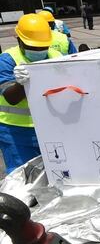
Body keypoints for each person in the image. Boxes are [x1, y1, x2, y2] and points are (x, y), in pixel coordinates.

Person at [0, 14, 62, 172]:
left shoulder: (57, 57)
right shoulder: (7, 59)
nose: (38, 50)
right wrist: (21, 84)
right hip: (17, 132)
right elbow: (11, 98)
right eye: (33, 46)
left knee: (56, 174)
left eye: (42, 46)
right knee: (22, 178)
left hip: (50, 128)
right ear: (19, 40)